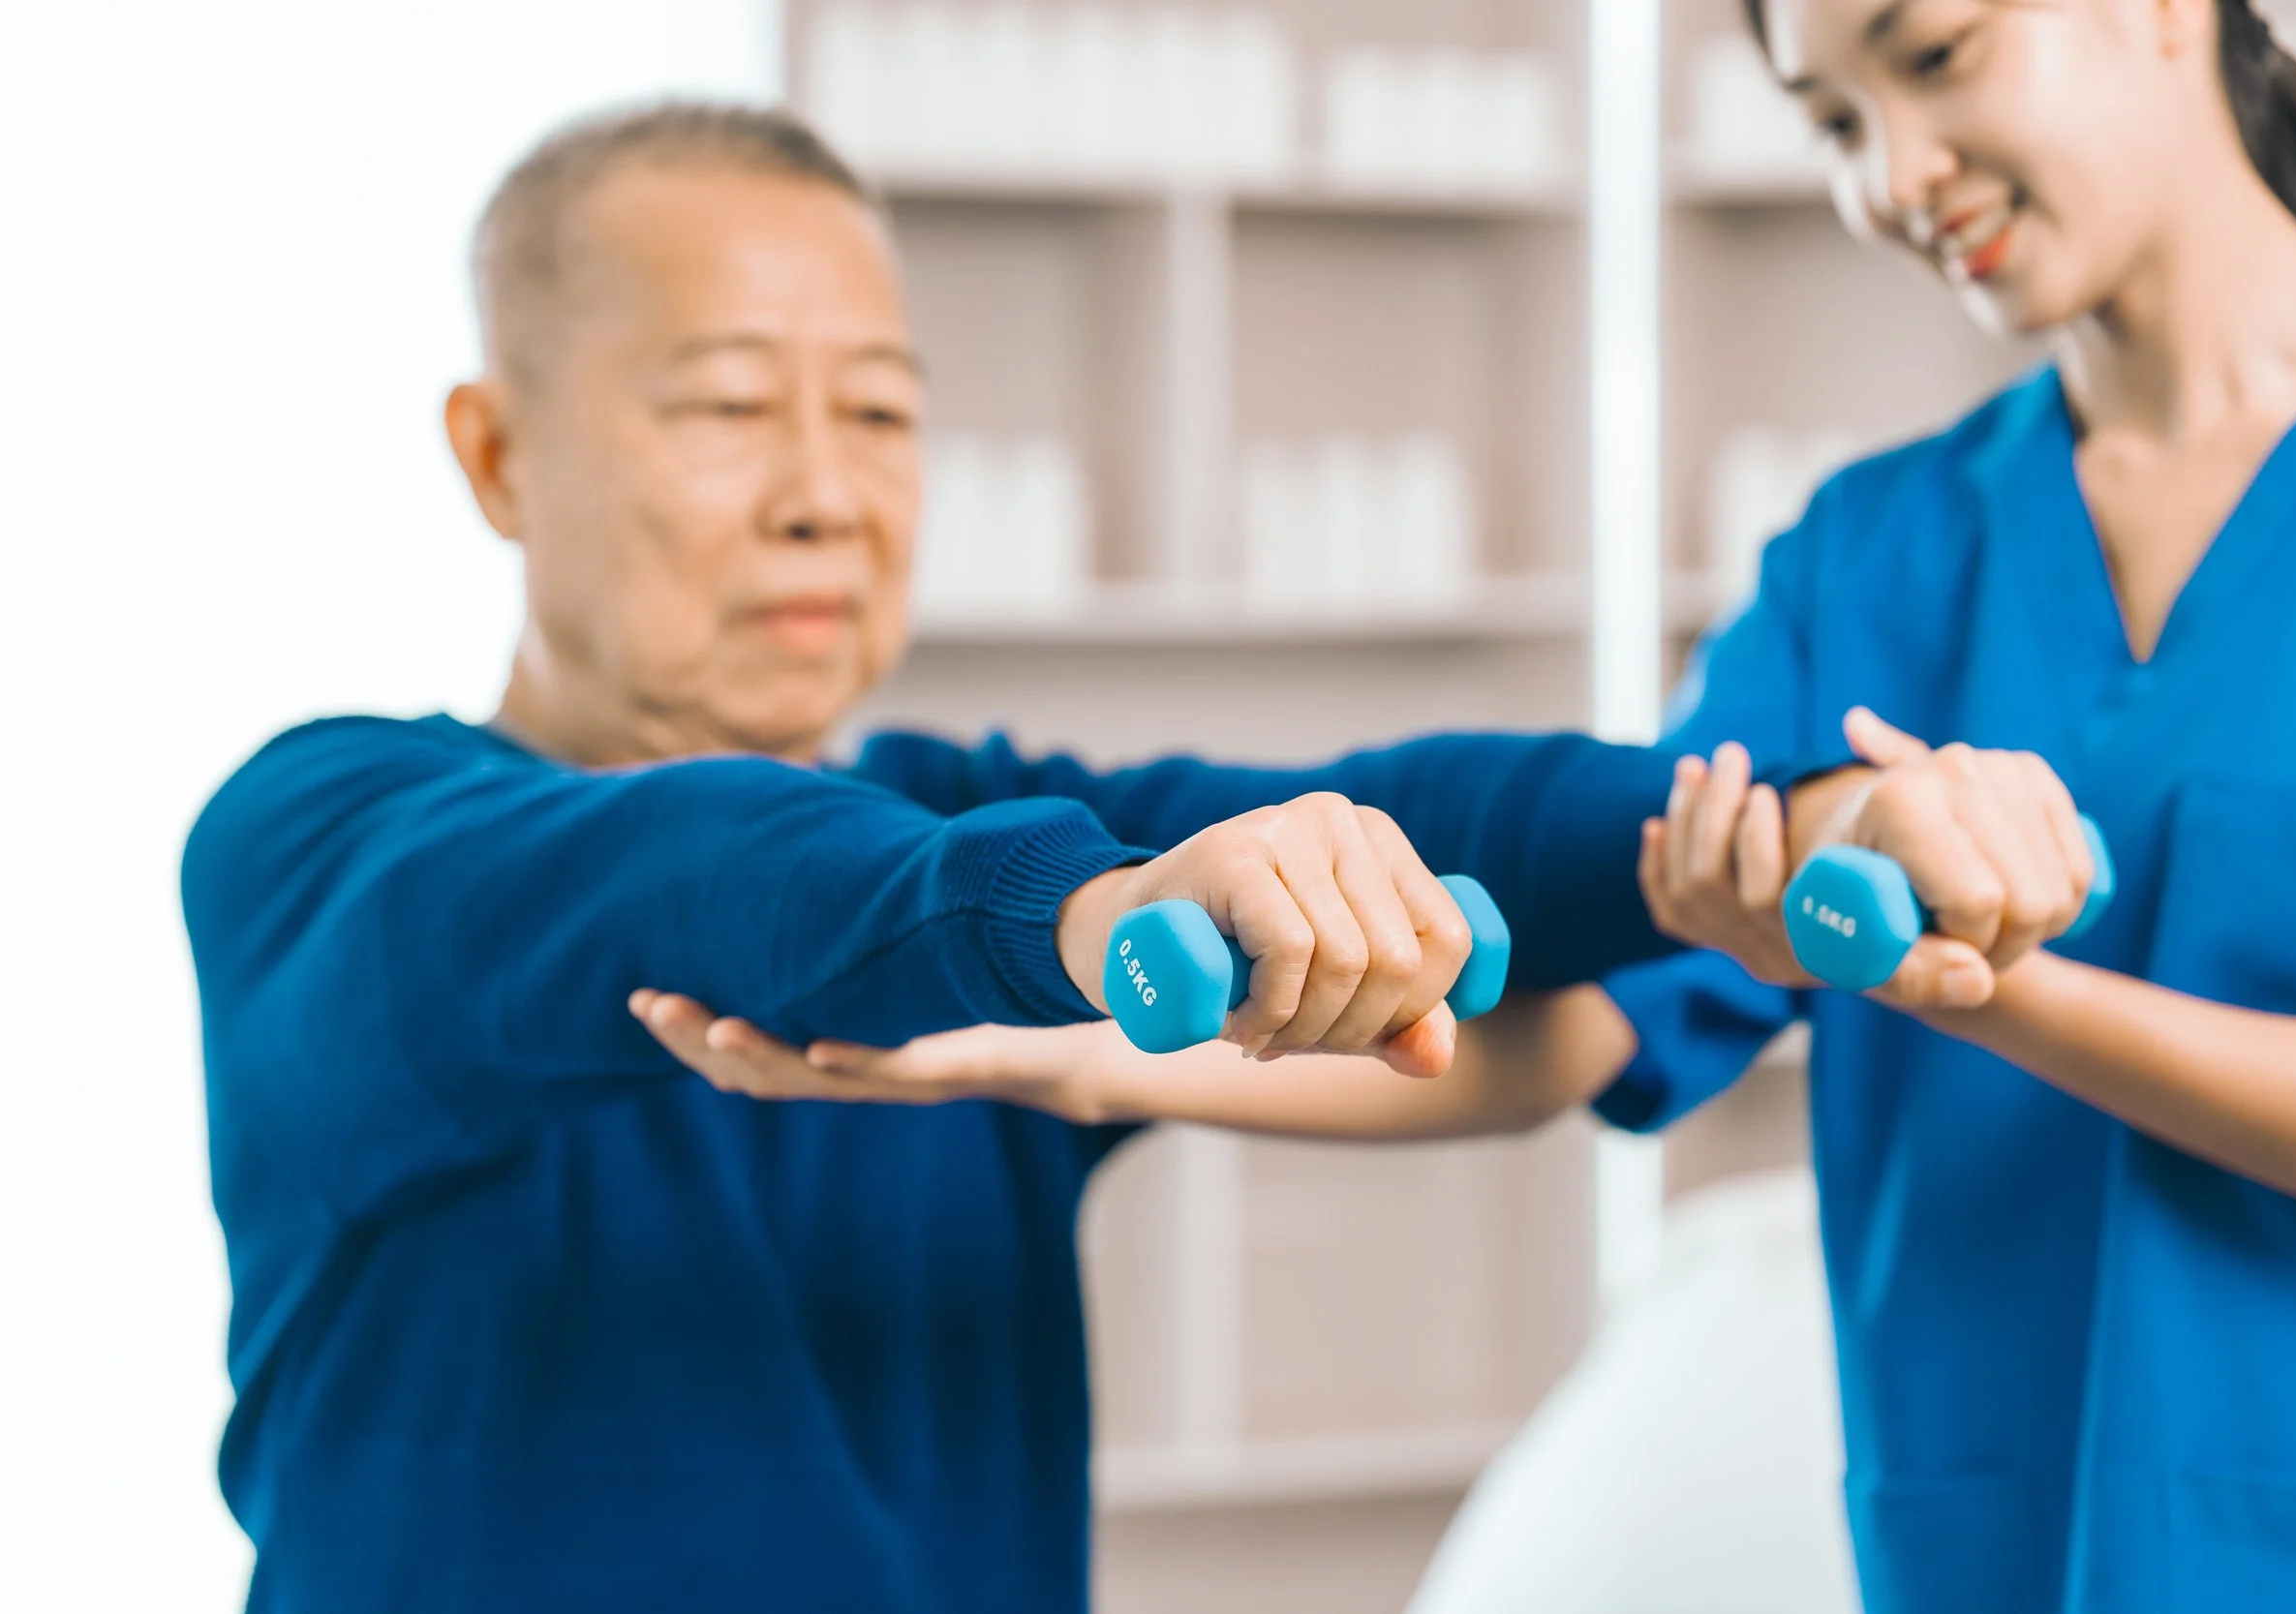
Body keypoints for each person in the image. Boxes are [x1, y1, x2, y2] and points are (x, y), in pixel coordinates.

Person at [180, 106, 2094, 1614]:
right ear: (499, 456)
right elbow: (685, 872)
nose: (820, 493)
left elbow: (1419, 802)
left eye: (876, 411)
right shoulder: (330, 847)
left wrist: (1763, 826)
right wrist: (1091, 910)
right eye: (726, 405)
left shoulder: (956, 799)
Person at [1432, 2, 2296, 1610]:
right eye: (1831, 121)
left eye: (1936, 57)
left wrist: (2000, 996)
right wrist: (1070, 1024)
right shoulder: (1870, 559)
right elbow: (1587, 1006)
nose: (1896, 173)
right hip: (1980, 1554)